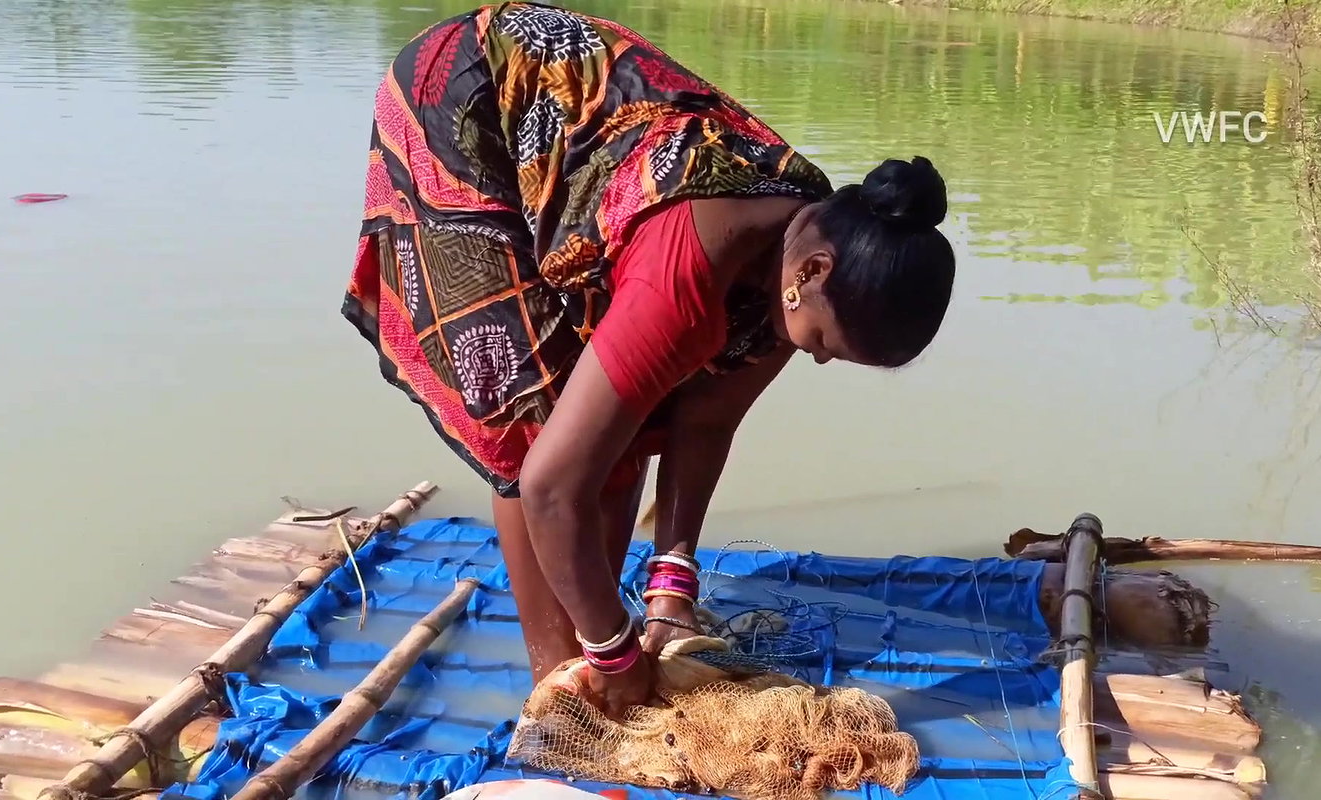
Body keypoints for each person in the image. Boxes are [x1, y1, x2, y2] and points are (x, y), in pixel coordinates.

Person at [342, 1, 956, 719]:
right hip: (466, 105)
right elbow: (547, 487)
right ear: (813, 271)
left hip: (585, 155)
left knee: (617, 435)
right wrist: (610, 649)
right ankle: (558, 681)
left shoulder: (808, 256)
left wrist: (673, 586)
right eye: (823, 344)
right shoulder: (691, 279)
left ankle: (599, 648)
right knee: (539, 427)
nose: (814, 362)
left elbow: (706, 423)